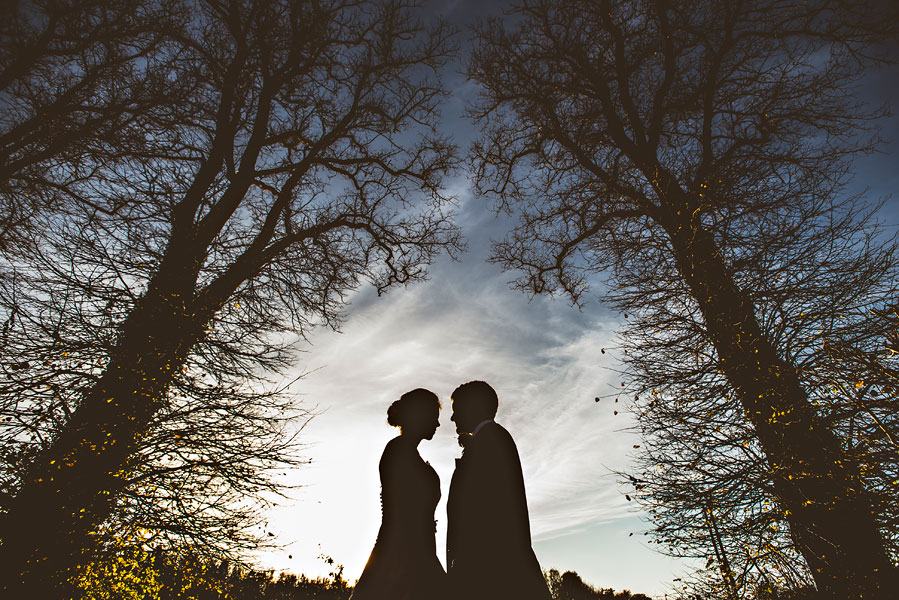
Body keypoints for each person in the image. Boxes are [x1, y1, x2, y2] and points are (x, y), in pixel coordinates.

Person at [446, 380, 552, 600]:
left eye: (456, 410)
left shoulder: (492, 440)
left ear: (473, 407)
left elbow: (483, 511)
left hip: (491, 570)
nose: (452, 418)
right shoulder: (490, 439)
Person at [351, 388, 447, 600]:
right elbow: (400, 515)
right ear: (419, 416)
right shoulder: (398, 451)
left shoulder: (406, 452)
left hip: (415, 551)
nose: (438, 424)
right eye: (434, 418)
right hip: (403, 553)